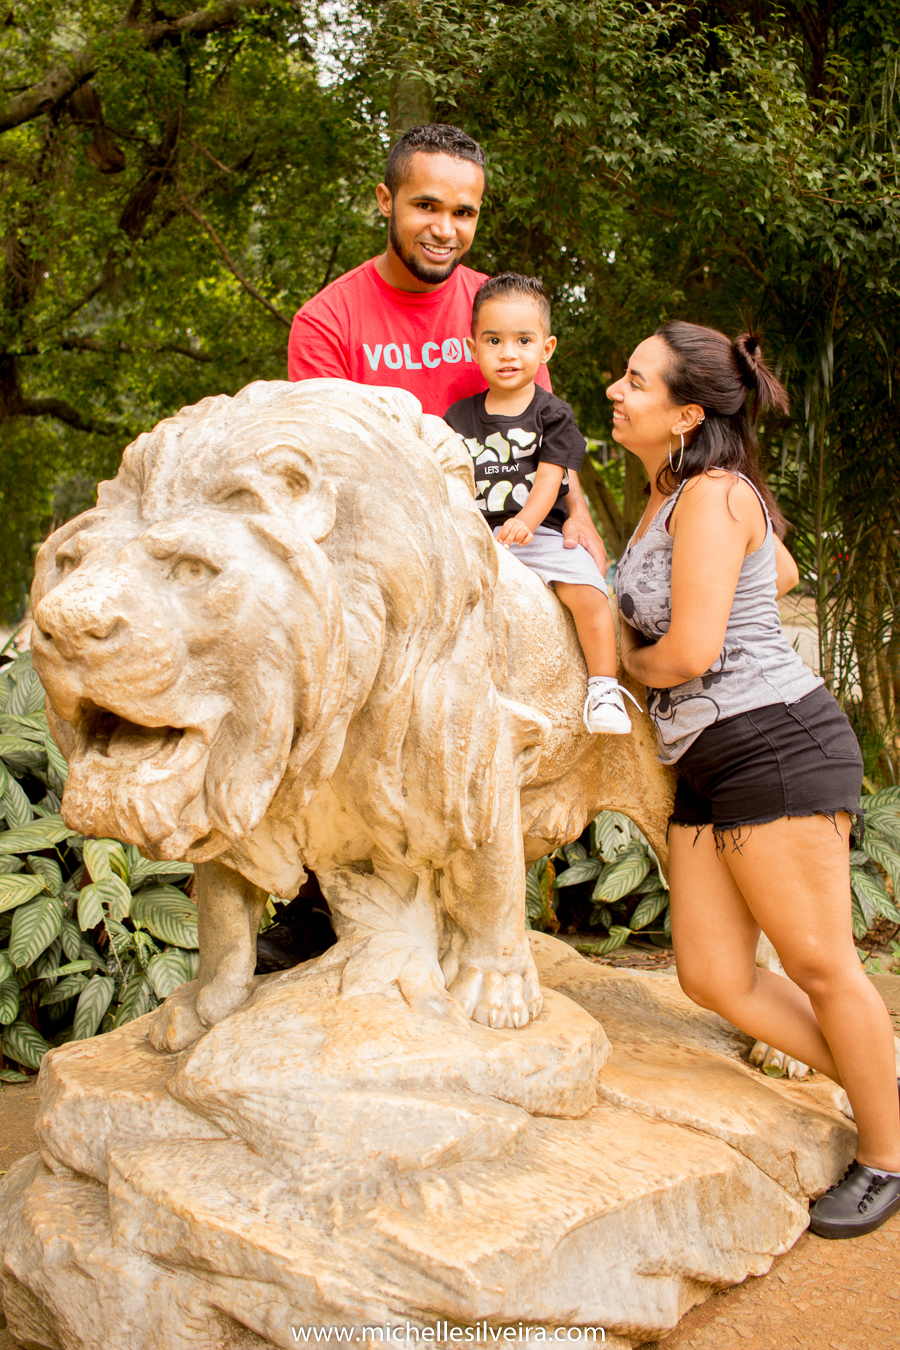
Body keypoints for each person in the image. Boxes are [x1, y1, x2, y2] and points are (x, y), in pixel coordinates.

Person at [609, 319, 900, 1240]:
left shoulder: (714, 494)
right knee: (713, 975)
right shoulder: (669, 497)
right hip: (706, 756)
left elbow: (689, 652)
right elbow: (782, 568)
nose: (615, 390)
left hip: (773, 740)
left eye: (636, 380)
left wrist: (615, 658)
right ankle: (888, 1090)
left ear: (686, 415)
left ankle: (887, 1153)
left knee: (818, 962)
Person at [287, 122, 606, 572]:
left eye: (463, 213)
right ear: (385, 200)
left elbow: (547, 429)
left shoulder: (503, 310)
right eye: (426, 206)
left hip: (509, 544)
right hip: (385, 550)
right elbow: (329, 467)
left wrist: (579, 515)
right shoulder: (324, 323)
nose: (444, 229)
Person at [444, 274, 636, 734]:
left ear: (546, 349)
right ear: (473, 348)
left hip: (539, 533)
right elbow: (449, 480)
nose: (508, 353)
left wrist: (527, 522)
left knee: (590, 591)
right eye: (494, 341)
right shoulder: (457, 416)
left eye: (523, 341)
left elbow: (552, 479)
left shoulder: (553, 413)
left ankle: (604, 688)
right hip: (477, 536)